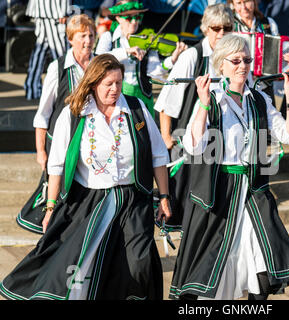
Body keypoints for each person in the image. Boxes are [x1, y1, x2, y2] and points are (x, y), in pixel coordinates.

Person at [0, 54, 171, 300]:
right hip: (89, 202)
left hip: (132, 201)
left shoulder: (135, 108)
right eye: (108, 84)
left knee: (138, 263)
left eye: (119, 83)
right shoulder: (73, 114)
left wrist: (163, 197)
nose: (115, 89)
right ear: (93, 84)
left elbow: (158, 156)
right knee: (76, 267)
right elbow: (56, 165)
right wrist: (50, 208)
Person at [169, 34, 289, 300]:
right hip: (220, 192)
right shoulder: (212, 100)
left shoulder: (259, 100)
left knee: (261, 257)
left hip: (253, 190)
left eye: (246, 60)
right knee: (218, 261)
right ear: (221, 65)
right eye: (235, 61)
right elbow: (193, 146)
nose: (242, 65)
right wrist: (204, 104)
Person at [153, 3, 234, 232]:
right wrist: (167, 137)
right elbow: (167, 101)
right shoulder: (192, 56)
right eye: (215, 28)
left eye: (226, 28)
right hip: (189, 140)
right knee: (187, 206)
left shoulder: (233, 57)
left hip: (221, 140)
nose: (221, 34)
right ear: (205, 28)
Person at [17, 14, 96, 234]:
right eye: (82, 36)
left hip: (91, 142)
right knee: (56, 196)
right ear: (71, 38)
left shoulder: (99, 64)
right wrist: (41, 151)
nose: (88, 40)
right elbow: (43, 114)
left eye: (91, 35)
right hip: (61, 144)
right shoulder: (58, 68)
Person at [95, 0, 187, 118]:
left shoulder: (146, 37)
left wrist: (172, 59)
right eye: (129, 18)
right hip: (117, 94)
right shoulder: (108, 36)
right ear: (118, 18)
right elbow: (99, 60)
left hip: (142, 95)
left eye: (137, 17)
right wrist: (126, 52)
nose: (134, 22)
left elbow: (154, 71)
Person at [24, 0, 69, 100]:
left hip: (45, 10)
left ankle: (32, 88)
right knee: (61, 54)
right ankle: (65, 90)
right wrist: (63, 11)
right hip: (54, 11)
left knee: (41, 49)